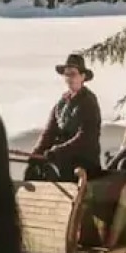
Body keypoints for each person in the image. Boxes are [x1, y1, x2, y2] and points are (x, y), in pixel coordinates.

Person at [25, 53, 103, 181]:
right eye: (66, 74)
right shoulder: (61, 103)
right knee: (34, 168)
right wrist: (36, 153)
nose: (69, 78)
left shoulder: (89, 102)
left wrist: (58, 151)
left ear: (82, 77)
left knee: (54, 170)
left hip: (84, 161)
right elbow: (49, 132)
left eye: (73, 74)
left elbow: (85, 137)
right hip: (61, 156)